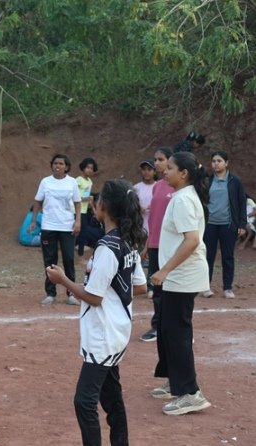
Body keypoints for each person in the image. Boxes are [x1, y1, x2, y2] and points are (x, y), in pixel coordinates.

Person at [46, 179, 147, 446]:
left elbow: (94, 297)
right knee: (112, 399)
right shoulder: (127, 240)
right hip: (117, 328)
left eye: (98, 199)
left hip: (103, 333)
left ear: (104, 207)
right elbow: (140, 286)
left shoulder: (107, 247)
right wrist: (111, 288)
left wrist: (63, 280)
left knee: (84, 401)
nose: (95, 203)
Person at [150, 151, 212, 416]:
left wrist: (165, 270)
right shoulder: (181, 196)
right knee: (167, 329)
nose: (165, 171)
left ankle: (190, 393)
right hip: (177, 276)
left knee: (177, 333)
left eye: (170, 168)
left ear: (184, 173)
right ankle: (176, 381)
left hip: (182, 276)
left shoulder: (184, 199)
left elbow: (192, 240)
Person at [28, 154, 81, 305]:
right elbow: (37, 201)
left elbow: (77, 202)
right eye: (55, 163)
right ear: (52, 165)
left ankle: (71, 293)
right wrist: (33, 221)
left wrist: (78, 221)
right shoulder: (45, 182)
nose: (58, 166)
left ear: (66, 167)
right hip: (48, 226)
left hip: (67, 226)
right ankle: (50, 293)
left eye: (61, 164)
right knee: (50, 260)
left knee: (68, 259)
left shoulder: (72, 182)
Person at [139, 147, 174, 343]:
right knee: (157, 289)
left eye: (161, 159)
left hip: (172, 246)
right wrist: (147, 245)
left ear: (171, 161)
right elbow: (153, 220)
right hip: (154, 245)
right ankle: (157, 326)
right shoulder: (158, 186)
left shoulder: (179, 187)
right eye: (156, 159)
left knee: (173, 289)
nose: (157, 163)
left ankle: (175, 328)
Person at [201, 150, 247, 299]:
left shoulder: (235, 181)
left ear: (226, 163)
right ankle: (205, 287)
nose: (216, 164)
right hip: (210, 224)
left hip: (228, 224)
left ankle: (227, 288)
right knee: (208, 256)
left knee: (228, 256)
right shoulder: (208, 181)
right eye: (214, 161)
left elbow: (242, 202)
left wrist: (242, 224)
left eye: (219, 161)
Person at [76, 158, 98, 256]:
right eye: (88, 167)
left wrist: (93, 209)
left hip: (84, 210)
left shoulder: (89, 182)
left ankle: (80, 255)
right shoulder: (78, 180)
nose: (89, 170)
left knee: (83, 232)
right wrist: (86, 198)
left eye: (92, 168)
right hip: (76, 210)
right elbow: (73, 196)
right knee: (75, 231)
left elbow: (88, 198)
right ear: (83, 168)